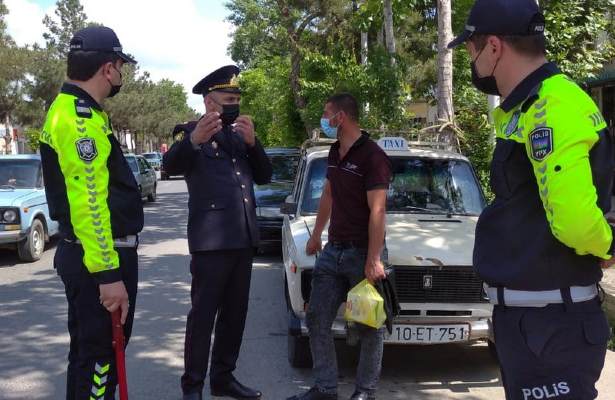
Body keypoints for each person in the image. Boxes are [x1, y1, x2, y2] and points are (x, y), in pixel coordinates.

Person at [449, 1, 614, 398]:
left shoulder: (551, 105)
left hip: (551, 325)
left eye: (470, 49)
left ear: (493, 46)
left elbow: (573, 219)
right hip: (532, 323)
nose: (469, 60)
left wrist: (607, 245)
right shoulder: (530, 106)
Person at [39, 26, 143, 400]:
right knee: (101, 361)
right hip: (99, 258)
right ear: (108, 68)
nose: (121, 75)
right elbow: (90, 205)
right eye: (120, 66)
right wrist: (109, 274)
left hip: (94, 255)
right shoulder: (79, 119)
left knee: (87, 357)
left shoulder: (78, 111)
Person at [163, 65, 272, 400]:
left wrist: (254, 145)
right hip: (211, 243)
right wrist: (195, 140)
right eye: (228, 98)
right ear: (210, 102)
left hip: (242, 239)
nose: (234, 104)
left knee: (235, 317)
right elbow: (170, 167)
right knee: (203, 318)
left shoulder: (241, 137)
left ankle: (223, 378)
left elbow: (264, 176)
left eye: (237, 98)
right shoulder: (190, 132)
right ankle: (192, 386)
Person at [287, 93, 392, 400]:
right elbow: (329, 194)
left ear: (340, 117)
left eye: (326, 113)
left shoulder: (373, 157)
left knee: (369, 325)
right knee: (317, 317)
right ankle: (325, 388)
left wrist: (373, 258)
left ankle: (365, 391)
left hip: (362, 252)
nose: (324, 119)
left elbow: (378, 210)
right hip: (334, 250)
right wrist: (316, 234)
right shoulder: (335, 151)